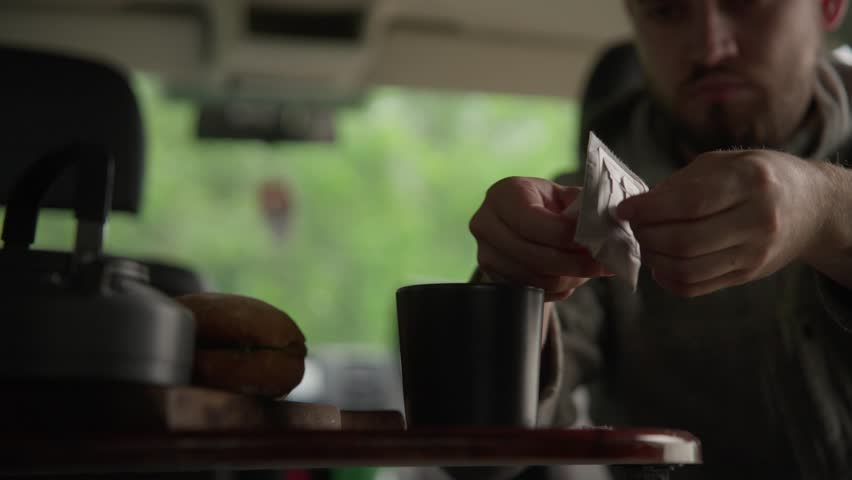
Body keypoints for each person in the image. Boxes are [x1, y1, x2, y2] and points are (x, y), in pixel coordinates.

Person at [468, 0, 852, 478]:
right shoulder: (581, 214)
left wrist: (831, 212)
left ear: (830, 7)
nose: (711, 48)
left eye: (746, 3)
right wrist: (510, 288)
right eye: (667, 11)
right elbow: (484, 457)